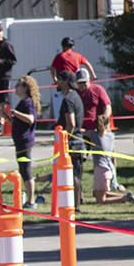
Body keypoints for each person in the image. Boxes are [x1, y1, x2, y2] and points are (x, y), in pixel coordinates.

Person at [4, 75, 41, 209]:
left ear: (25, 88)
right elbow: (18, 123)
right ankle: (27, 198)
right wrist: (8, 117)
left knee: (26, 171)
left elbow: (30, 119)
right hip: (20, 141)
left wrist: (16, 113)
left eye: (18, 85)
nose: (16, 88)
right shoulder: (23, 102)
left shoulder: (28, 102)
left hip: (25, 142)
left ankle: (31, 201)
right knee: (23, 170)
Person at [76, 68, 113, 198]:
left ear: (89, 80)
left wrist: (104, 119)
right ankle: (78, 191)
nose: (82, 85)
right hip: (82, 132)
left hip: (98, 131)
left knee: (106, 157)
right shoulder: (75, 94)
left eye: (84, 82)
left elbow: (107, 106)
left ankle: (112, 183)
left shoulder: (98, 90)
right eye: (79, 83)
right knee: (79, 161)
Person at [91, 115, 134, 205]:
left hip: (102, 171)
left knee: (101, 200)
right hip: (109, 168)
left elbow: (81, 132)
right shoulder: (111, 136)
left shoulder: (94, 135)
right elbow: (113, 156)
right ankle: (127, 195)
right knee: (96, 193)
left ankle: (125, 198)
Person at [56, 70, 86, 208]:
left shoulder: (68, 99)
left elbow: (71, 124)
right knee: (77, 174)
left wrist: (64, 139)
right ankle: (78, 201)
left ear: (66, 81)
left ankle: (75, 206)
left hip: (73, 142)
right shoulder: (76, 96)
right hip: (79, 141)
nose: (57, 82)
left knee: (73, 175)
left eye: (60, 79)